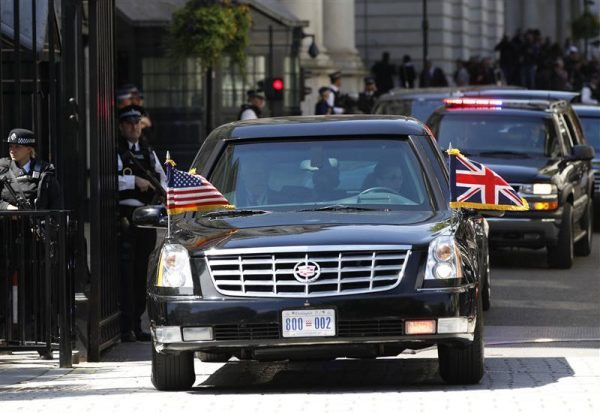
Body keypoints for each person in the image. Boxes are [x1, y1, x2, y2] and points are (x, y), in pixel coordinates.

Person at [117, 105, 167, 342]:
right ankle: (125, 325)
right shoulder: (116, 151)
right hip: (126, 214)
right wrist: (133, 181)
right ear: (121, 126)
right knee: (125, 274)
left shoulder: (147, 151)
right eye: (129, 123)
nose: (134, 127)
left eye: (137, 122)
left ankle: (137, 324)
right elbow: (108, 180)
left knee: (141, 273)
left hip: (146, 216)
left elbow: (163, 179)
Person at [0, 129, 61, 210]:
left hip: (34, 221)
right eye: (10, 146)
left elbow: (54, 202)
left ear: (29, 149)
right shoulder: (2, 167)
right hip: (6, 221)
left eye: (17, 147)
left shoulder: (44, 170)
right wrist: (9, 208)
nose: (12, 150)